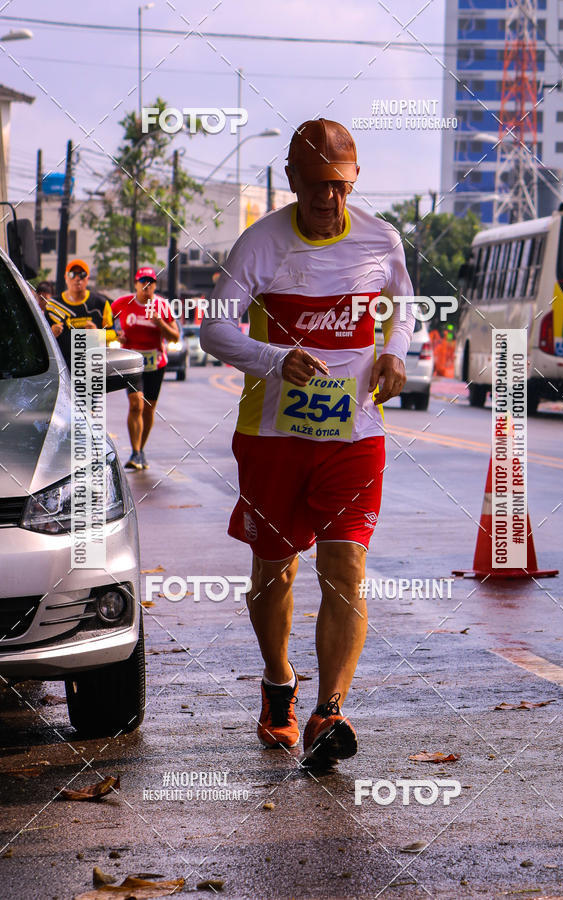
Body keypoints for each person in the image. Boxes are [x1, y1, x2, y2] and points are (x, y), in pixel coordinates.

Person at [200, 118, 415, 768]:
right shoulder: (260, 244)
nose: (329, 199)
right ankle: (277, 682)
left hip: (355, 435)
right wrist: (274, 358)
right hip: (272, 440)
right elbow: (213, 329)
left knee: (346, 570)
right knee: (274, 572)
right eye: (317, 185)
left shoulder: (382, 239)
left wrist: (396, 353)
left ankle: (330, 711)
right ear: (292, 181)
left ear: (355, 179)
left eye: (341, 185)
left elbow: (402, 303)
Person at [111, 267, 179, 471]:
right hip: (131, 362)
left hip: (155, 362)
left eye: (151, 283)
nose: (146, 287)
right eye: (143, 282)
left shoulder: (163, 306)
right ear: (136, 284)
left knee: (148, 409)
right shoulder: (123, 303)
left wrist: (160, 323)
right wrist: (115, 335)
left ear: (155, 286)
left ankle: (141, 450)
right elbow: (106, 320)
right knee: (135, 404)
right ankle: (135, 452)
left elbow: (175, 337)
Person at [44, 260, 116, 370]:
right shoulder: (53, 305)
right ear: (66, 277)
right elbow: (41, 338)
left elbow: (114, 334)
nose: (77, 278)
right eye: (72, 274)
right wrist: (52, 334)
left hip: (92, 371)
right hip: (62, 369)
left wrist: (98, 334)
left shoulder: (100, 303)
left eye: (82, 275)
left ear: (88, 278)